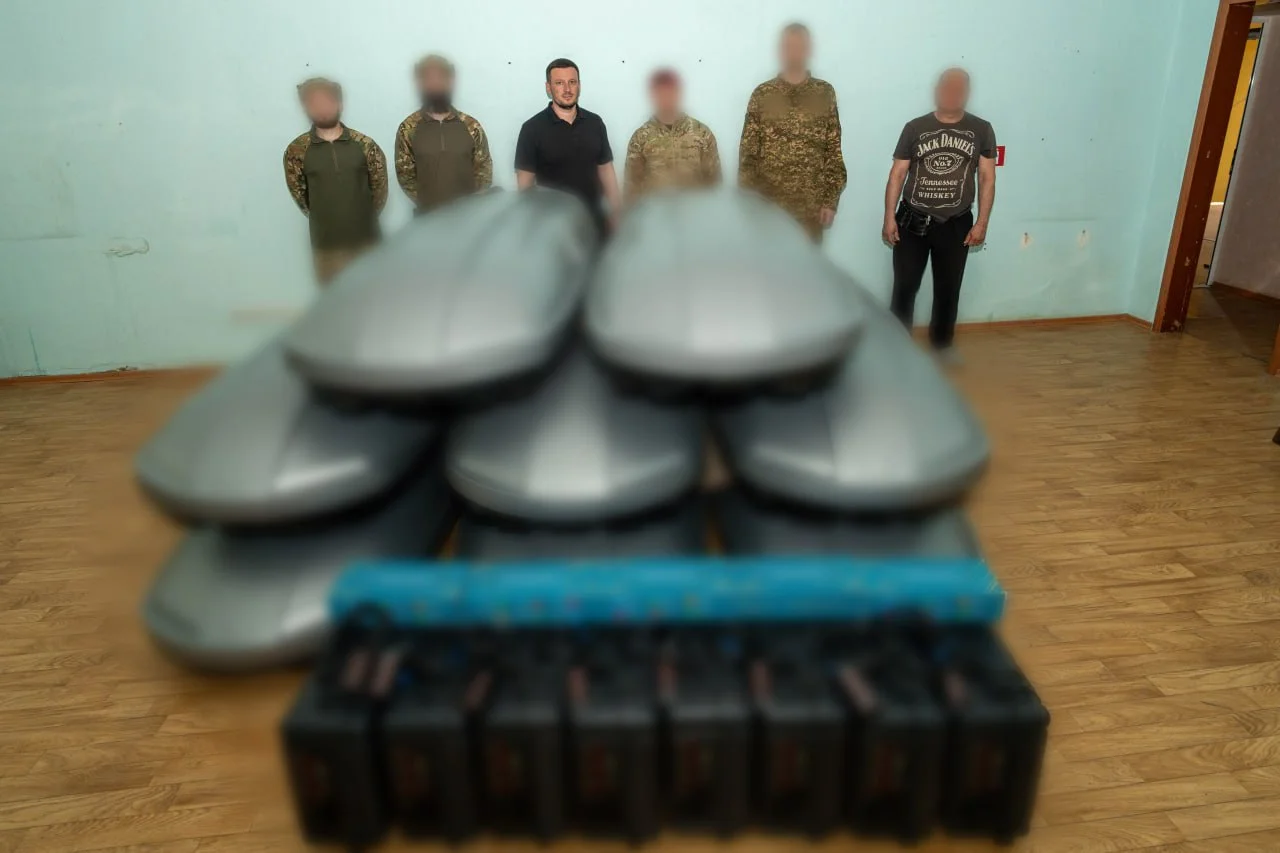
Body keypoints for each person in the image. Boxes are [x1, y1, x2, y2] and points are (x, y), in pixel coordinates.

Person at [883, 68, 997, 359]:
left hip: (957, 223)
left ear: (967, 93)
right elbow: (898, 174)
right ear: (937, 90)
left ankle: (942, 345)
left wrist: (982, 222)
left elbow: (987, 177)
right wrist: (889, 217)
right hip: (912, 221)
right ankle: (897, 347)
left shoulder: (981, 129)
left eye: (959, 88)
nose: (952, 93)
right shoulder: (915, 128)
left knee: (949, 288)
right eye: (947, 86)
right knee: (904, 286)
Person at [738, 23, 846, 242]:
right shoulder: (763, 94)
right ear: (781, 50)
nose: (794, 51)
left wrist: (830, 201)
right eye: (789, 46)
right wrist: (749, 204)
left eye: (800, 46)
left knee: (806, 263)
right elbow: (748, 155)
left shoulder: (824, 93)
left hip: (811, 210)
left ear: (808, 50)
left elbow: (833, 150)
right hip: (769, 210)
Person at [283, 78, 388, 285]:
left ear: (339, 103)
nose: (322, 108)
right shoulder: (297, 151)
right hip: (327, 249)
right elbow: (302, 197)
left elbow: (379, 189)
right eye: (314, 102)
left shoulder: (365, 145)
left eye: (327, 100)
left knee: (375, 298)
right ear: (305, 107)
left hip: (368, 243)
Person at [515, 58, 622, 235]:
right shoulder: (531, 129)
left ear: (579, 85)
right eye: (559, 83)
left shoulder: (595, 123)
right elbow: (525, 184)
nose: (567, 89)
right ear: (548, 88)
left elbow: (606, 170)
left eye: (572, 82)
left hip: (594, 223)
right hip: (552, 228)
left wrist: (616, 212)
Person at [395, 54, 493, 214]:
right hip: (428, 218)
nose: (435, 84)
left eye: (440, 77)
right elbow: (405, 176)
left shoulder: (471, 126)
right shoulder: (408, 128)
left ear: (450, 81)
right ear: (420, 83)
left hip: (469, 217)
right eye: (429, 78)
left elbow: (484, 170)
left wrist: (472, 203)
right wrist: (429, 202)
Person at [624, 69, 721, 204]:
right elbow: (632, 189)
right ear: (653, 96)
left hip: (696, 211)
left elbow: (714, 184)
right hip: (655, 213)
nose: (666, 98)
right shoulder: (640, 138)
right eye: (661, 93)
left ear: (678, 93)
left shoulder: (702, 133)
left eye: (670, 92)